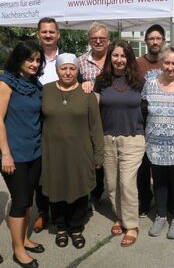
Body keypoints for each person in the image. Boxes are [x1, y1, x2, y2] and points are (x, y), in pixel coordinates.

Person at [41, 53, 104, 250]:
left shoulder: (87, 93)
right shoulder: (45, 90)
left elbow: (96, 127)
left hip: (80, 152)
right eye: (63, 68)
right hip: (53, 151)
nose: (68, 72)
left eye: (72, 68)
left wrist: (98, 153)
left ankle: (76, 227)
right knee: (56, 186)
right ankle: (60, 226)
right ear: (57, 70)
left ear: (78, 70)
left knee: (79, 187)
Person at [94, 40, 145, 247]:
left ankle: (131, 225)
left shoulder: (139, 82)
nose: (119, 59)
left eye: (123, 56)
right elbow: (93, 110)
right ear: (110, 58)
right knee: (112, 184)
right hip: (108, 138)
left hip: (133, 138)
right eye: (115, 55)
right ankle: (120, 217)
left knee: (126, 183)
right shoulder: (101, 81)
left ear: (129, 58)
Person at [0, 40, 45, 268]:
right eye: (30, 59)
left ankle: (24, 239)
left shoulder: (35, 84)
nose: (35, 63)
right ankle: (18, 250)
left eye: (38, 60)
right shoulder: (6, 83)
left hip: (35, 152)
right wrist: (5, 154)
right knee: (19, 201)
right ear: (19, 59)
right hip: (14, 154)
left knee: (28, 200)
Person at [142, 45, 174, 239]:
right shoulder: (150, 83)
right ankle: (161, 215)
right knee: (160, 182)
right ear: (161, 63)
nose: (170, 67)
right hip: (154, 145)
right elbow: (143, 110)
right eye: (167, 63)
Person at [34, 17, 62, 233]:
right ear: (38, 34)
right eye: (44, 32)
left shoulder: (67, 59)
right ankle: (43, 212)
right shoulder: (32, 58)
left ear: (58, 34)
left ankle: (63, 207)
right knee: (40, 168)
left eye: (51, 32)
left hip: (61, 121)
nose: (48, 35)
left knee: (60, 166)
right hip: (36, 120)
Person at [78, 22, 110, 205]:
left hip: (112, 115)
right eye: (94, 38)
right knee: (92, 154)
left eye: (102, 38)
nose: (98, 41)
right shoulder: (80, 61)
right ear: (89, 40)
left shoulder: (115, 58)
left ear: (108, 40)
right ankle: (95, 192)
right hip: (90, 117)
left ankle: (110, 190)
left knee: (111, 155)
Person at [136, 24, 165, 217]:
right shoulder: (137, 63)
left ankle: (164, 199)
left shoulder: (167, 62)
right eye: (151, 38)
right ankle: (145, 200)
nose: (154, 42)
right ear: (146, 41)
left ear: (163, 41)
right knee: (143, 163)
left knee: (161, 163)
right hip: (142, 117)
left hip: (163, 117)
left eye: (158, 38)